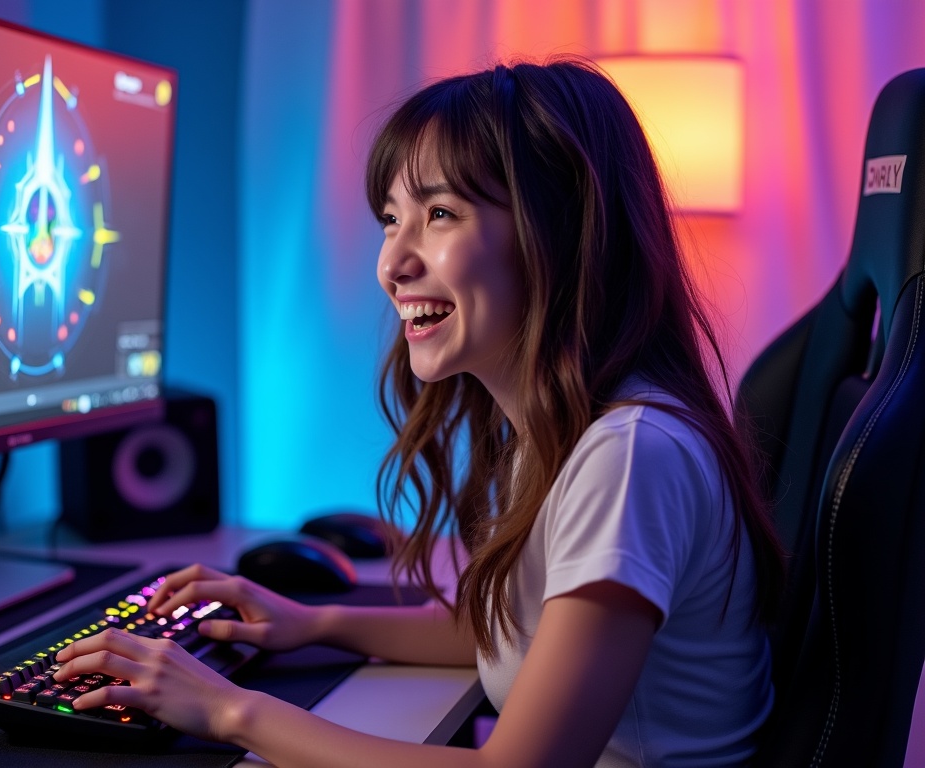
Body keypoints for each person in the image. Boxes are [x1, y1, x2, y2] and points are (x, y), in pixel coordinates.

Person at [53, 55, 785, 767]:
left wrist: (226, 710)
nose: (392, 263)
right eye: (389, 219)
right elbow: (521, 630)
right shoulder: (567, 432)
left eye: (439, 214)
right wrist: (317, 623)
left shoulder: (630, 455)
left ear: (560, 235)